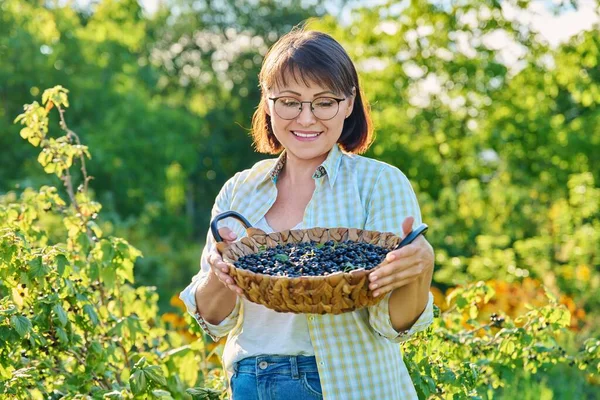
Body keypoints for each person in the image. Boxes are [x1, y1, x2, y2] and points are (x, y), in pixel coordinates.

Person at [180, 27, 435, 400]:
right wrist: (221, 273)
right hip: (252, 381)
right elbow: (214, 322)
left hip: (346, 385)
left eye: (324, 102)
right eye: (289, 101)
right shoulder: (239, 191)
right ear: (267, 103)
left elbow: (392, 324)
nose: (306, 118)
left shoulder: (379, 183)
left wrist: (420, 267)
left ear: (349, 103)